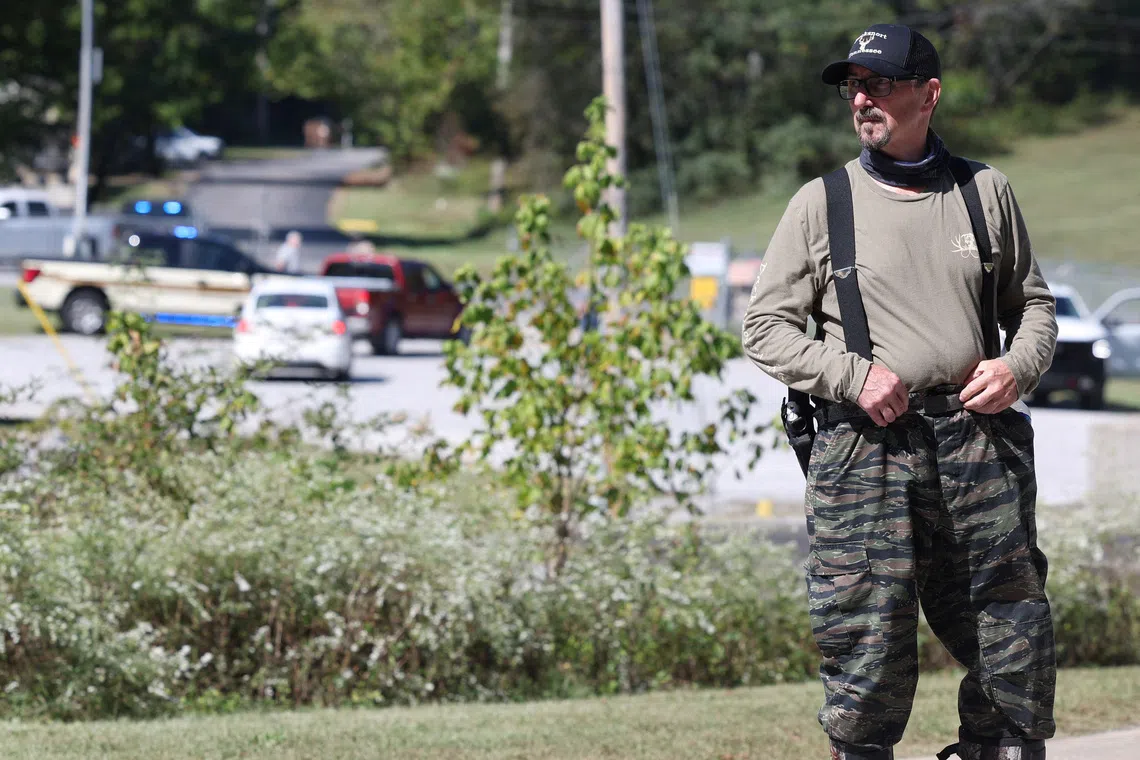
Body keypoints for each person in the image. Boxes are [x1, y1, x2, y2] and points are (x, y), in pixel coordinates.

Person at [741, 24, 1058, 760]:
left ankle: (998, 749)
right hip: (864, 452)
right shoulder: (821, 205)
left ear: (929, 95)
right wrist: (853, 375)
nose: (861, 99)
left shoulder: (986, 192)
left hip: (978, 443)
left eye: (878, 83)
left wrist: (1018, 367)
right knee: (867, 643)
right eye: (853, 86)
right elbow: (764, 331)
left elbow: (1033, 307)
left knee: (1011, 628)